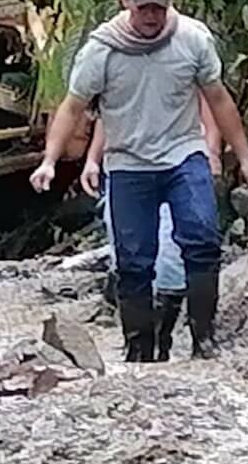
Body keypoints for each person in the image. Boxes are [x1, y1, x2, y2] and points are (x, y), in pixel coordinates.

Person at [31, 0, 248, 361]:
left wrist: (244, 157)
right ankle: (139, 348)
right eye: (144, 8)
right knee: (134, 260)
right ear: (127, 2)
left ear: (168, 2)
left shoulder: (192, 39)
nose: (152, 16)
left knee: (202, 239)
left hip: (182, 156)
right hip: (128, 165)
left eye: (159, 7)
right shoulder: (101, 52)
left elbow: (218, 99)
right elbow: (72, 107)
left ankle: (204, 339)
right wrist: (50, 160)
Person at [82, 95, 223, 361]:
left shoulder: (183, 60)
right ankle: (141, 346)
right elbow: (108, 117)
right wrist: (93, 158)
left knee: (172, 253)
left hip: (179, 163)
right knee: (127, 250)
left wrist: (211, 152)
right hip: (127, 164)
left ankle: (169, 341)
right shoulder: (116, 63)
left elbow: (210, 106)